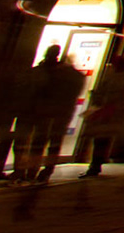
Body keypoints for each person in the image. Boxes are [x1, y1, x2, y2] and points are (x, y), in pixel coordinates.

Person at [13, 46, 86, 182]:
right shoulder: (70, 75)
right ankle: (36, 171)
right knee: (45, 143)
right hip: (51, 113)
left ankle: (27, 171)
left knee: (37, 142)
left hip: (41, 112)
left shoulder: (44, 73)